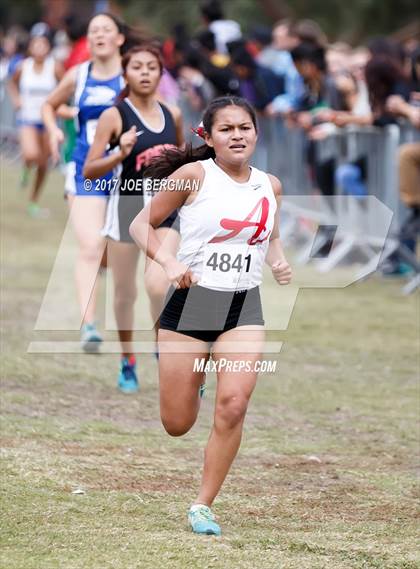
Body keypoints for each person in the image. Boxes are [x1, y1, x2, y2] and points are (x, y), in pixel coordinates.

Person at [129, 96, 292, 535]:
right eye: (227, 129)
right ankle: (189, 376)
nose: (237, 135)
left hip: (243, 305)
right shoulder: (193, 176)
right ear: (210, 136)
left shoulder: (270, 185)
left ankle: (202, 505)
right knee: (177, 424)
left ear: (257, 132)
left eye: (245, 127)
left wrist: (277, 259)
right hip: (192, 302)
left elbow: (269, 231)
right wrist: (168, 263)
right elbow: (140, 225)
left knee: (235, 405)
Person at [83, 44, 184, 392]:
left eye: (151, 67)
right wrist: (118, 153)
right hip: (126, 207)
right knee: (125, 293)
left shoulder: (173, 113)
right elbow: (89, 171)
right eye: (137, 67)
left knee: (158, 284)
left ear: (160, 74)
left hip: (164, 210)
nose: (144, 72)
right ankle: (128, 360)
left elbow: (184, 168)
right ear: (125, 74)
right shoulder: (116, 115)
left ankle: (162, 343)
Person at [42, 13, 136, 352]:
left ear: (119, 38)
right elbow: (49, 106)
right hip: (86, 172)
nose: (98, 35)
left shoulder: (132, 76)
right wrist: (53, 130)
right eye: (93, 30)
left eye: (106, 30)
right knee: (91, 247)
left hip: (125, 174)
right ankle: (89, 326)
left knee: (112, 253)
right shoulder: (78, 76)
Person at [9, 22, 64, 217]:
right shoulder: (23, 67)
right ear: (31, 46)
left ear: (49, 46)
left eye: (43, 44)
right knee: (31, 154)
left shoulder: (55, 67)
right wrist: (16, 99)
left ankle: (33, 201)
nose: (39, 48)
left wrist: (60, 107)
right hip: (28, 119)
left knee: (43, 164)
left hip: (47, 121)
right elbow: (11, 84)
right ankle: (25, 168)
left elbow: (64, 89)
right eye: (36, 43)